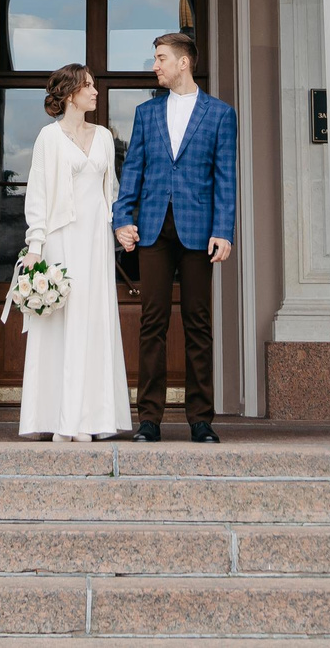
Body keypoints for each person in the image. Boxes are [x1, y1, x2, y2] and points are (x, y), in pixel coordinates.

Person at [112, 30, 235, 443]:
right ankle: (149, 419)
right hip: (153, 229)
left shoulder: (220, 114)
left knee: (199, 324)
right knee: (153, 323)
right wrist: (120, 217)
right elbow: (133, 170)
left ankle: (201, 420)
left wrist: (224, 230)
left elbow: (226, 179)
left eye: (161, 58)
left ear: (184, 62)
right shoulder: (146, 113)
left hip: (200, 231)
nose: (155, 66)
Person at [15, 62, 132, 442]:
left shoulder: (102, 137)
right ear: (70, 95)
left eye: (95, 85)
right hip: (61, 239)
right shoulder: (48, 139)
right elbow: (38, 194)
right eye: (89, 86)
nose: (96, 92)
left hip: (95, 242)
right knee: (62, 325)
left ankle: (90, 419)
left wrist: (121, 228)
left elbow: (110, 191)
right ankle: (58, 417)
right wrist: (35, 244)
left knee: (93, 323)